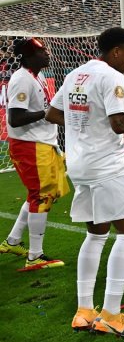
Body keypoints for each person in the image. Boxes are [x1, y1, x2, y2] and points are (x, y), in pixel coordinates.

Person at [47, 27, 124, 337]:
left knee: (96, 234)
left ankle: (84, 311)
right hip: (106, 165)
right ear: (116, 51)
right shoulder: (111, 76)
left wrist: (86, 128)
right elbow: (119, 124)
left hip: (79, 165)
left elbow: (53, 113)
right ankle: (111, 315)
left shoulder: (76, 74)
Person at [1, 38, 68, 269]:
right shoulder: (22, 79)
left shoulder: (35, 76)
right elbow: (15, 118)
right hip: (30, 145)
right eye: (42, 52)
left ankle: (13, 241)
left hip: (41, 143)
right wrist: (47, 112)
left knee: (39, 194)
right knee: (41, 196)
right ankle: (35, 256)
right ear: (29, 57)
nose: (47, 54)